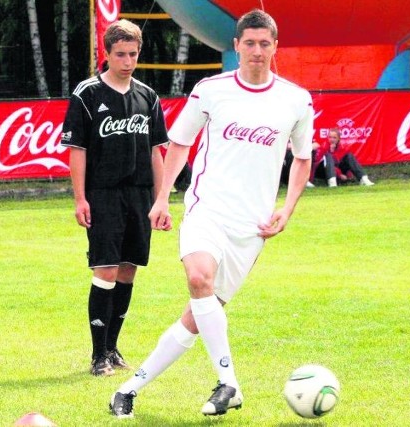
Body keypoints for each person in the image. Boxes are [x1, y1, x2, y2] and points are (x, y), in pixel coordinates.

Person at [109, 8, 314, 419]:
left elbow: (303, 159)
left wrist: (286, 210)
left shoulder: (296, 99)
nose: (257, 51)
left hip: (252, 228)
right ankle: (229, 383)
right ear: (236, 47)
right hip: (207, 211)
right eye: (249, 43)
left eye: (264, 43)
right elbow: (179, 144)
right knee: (198, 277)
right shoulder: (210, 90)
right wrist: (162, 197)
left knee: (197, 317)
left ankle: (129, 389)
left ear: (276, 47)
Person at [60, 19, 168, 377]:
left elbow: (156, 151)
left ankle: (113, 346)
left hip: (140, 195)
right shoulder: (88, 94)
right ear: (106, 54)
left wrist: (161, 199)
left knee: (127, 271)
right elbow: (77, 150)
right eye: (120, 54)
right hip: (103, 194)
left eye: (133, 54)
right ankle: (97, 355)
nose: (127, 61)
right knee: (104, 268)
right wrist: (80, 198)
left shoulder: (148, 96)